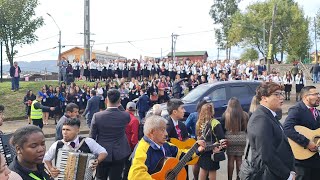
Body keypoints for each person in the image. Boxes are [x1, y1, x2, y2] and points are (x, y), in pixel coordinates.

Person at [128, 115, 207, 179]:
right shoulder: (142, 149)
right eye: (162, 130)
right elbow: (135, 175)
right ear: (152, 132)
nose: (166, 133)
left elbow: (181, 155)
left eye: (165, 129)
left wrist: (197, 150)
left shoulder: (165, 145)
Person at [247, 82, 295, 180]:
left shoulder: (269, 115)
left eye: (281, 93)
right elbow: (266, 154)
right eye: (277, 94)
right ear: (264, 98)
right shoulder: (261, 118)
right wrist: (288, 175)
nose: (281, 97)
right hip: (269, 175)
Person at [90, 89, 131, 180]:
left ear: (106, 100)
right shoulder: (125, 116)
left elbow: (91, 137)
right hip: (120, 152)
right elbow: (124, 113)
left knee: (100, 177)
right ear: (119, 101)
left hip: (102, 152)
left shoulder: (97, 116)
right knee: (116, 177)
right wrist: (119, 105)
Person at [283, 86, 320, 179]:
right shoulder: (296, 110)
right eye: (315, 94)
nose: (318, 96)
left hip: (316, 159)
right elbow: (287, 128)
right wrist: (307, 142)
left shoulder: (318, 112)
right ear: (305, 97)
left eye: (318, 94)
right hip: (302, 161)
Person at [196, 100, 226, 180]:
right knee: (212, 171)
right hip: (213, 150)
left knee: (203, 170)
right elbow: (221, 138)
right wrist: (222, 148)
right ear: (212, 111)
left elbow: (197, 137)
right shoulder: (215, 122)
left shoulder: (199, 122)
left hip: (202, 150)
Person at [220, 97, 248, 180]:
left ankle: (229, 178)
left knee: (230, 159)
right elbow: (247, 127)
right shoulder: (245, 114)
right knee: (239, 159)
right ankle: (239, 178)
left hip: (229, 137)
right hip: (242, 137)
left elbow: (222, 127)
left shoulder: (225, 114)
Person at [123, 102, 140, 180]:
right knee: (128, 167)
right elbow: (134, 137)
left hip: (118, 145)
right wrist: (135, 148)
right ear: (134, 110)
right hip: (128, 147)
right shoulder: (134, 120)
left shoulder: (120, 116)